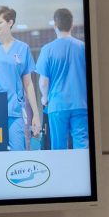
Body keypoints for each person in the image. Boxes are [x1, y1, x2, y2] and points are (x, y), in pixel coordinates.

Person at [0, 5, 41, 151]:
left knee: (18, 152)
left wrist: (36, 114)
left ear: (10, 22)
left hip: (14, 110)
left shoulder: (23, 49)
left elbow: (28, 84)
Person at [36, 8, 89, 150]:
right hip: (81, 103)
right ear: (72, 25)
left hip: (57, 105)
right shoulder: (83, 47)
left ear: (55, 25)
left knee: (59, 147)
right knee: (82, 144)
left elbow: (44, 82)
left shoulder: (47, 50)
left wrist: (44, 97)